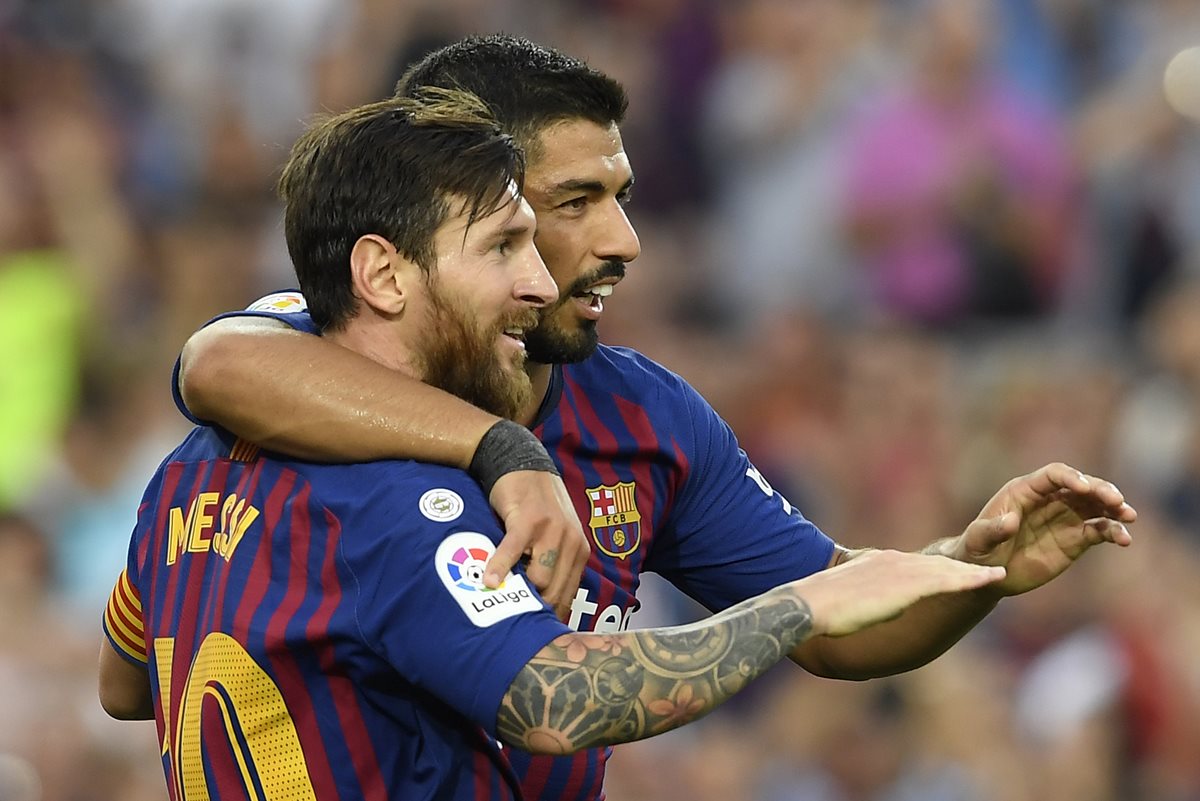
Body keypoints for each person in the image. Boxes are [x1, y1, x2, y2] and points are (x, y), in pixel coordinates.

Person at [173, 36, 1137, 801]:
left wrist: (969, 571)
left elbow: (836, 621)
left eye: (622, 197)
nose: (622, 241)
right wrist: (501, 448)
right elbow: (217, 362)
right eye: (567, 204)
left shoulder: (644, 415)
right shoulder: (340, 445)